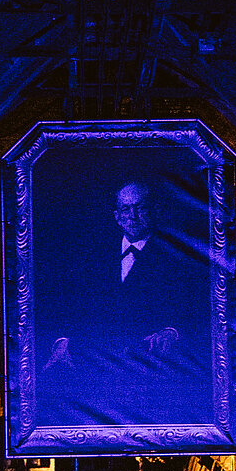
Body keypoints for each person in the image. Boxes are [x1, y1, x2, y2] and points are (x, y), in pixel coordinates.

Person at [43, 178, 208, 422]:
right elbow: (69, 304)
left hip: (150, 374)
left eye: (141, 208)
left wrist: (172, 332)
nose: (133, 216)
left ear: (155, 211)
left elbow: (194, 308)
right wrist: (61, 340)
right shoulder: (92, 255)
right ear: (117, 216)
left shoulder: (176, 256)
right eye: (125, 209)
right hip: (93, 370)